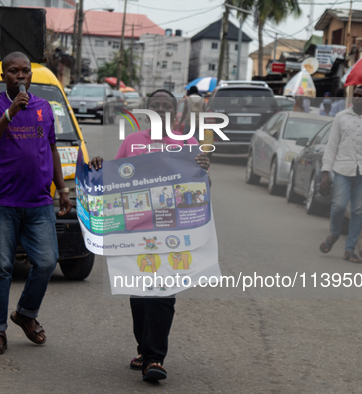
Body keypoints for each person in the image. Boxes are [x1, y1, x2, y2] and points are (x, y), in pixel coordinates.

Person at [87, 89, 211, 382]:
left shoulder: (187, 143)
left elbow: (199, 188)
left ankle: (155, 358)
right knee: (140, 296)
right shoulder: (132, 142)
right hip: (137, 230)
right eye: (154, 105)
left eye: (165, 106)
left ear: (175, 111)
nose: (160, 109)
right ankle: (144, 349)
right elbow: (115, 177)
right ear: (146, 110)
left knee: (163, 294)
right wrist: (99, 167)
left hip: (172, 232)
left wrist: (204, 169)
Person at [0, 51, 72, 355]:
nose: (20, 76)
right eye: (14, 71)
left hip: (39, 202)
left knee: (46, 261)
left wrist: (63, 189)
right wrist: (10, 114)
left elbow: (52, 149)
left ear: (31, 75)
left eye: (25, 72)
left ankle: (26, 314)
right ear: (3, 75)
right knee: (2, 266)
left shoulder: (44, 108)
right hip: (3, 201)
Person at [319, 85, 362, 263]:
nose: (357, 98)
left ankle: (349, 250)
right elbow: (332, 145)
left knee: (357, 211)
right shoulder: (341, 117)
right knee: (338, 206)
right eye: (355, 95)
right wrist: (325, 172)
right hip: (342, 169)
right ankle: (334, 234)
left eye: (361, 96)